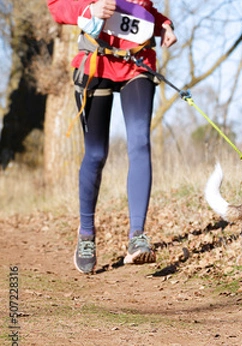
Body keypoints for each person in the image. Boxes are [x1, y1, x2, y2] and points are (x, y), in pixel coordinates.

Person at [47, 0, 177, 274]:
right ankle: (86, 235)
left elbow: (140, 11)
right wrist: (88, 11)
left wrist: (164, 25)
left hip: (137, 65)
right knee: (96, 154)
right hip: (96, 64)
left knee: (140, 143)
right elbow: (56, 7)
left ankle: (137, 236)